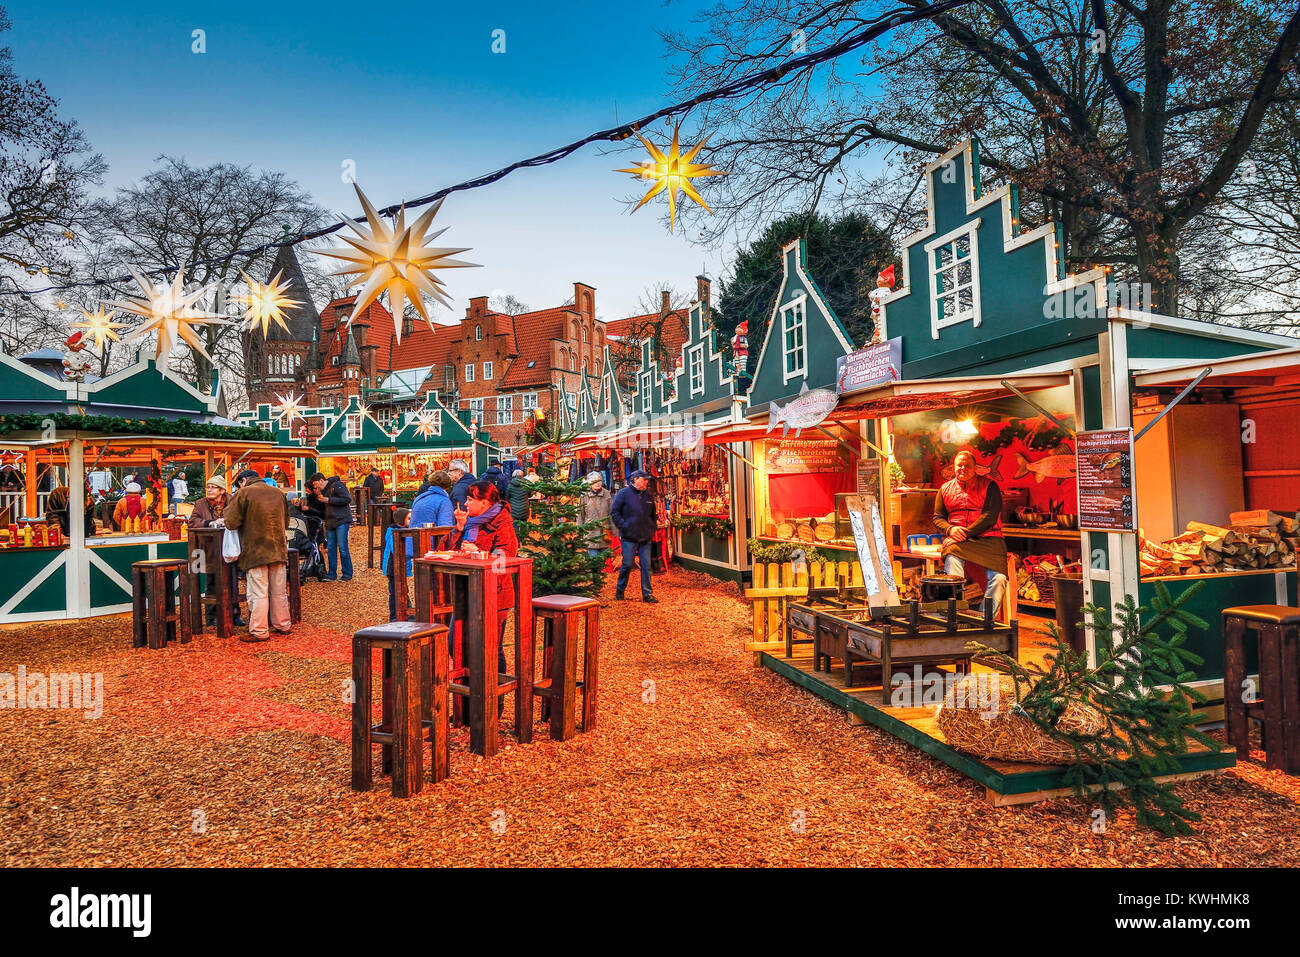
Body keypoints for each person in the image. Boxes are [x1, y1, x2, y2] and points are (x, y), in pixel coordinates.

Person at [447, 481, 517, 688]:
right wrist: (459, 528)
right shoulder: (470, 522)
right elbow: (447, 549)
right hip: (466, 593)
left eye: (470, 500)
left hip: (494, 595)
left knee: (490, 649)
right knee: (456, 644)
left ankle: (492, 705)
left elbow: (504, 558)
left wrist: (476, 551)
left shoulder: (503, 524)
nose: (466, 504)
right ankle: (467, 708)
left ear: (484, 502)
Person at [934, 449, 1008, 617]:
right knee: (953, 575)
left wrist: (963, 534)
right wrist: (950, 529)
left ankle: (986, 619)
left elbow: (990, 516)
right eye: (959, 465)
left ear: (976, 468)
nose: (963, 468)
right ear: (954, 468)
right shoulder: (944, 489)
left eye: (967, 465)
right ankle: (955, 615)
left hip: (990, 539)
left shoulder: (990, 485)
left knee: (999, 579)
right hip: (957, 541)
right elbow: (938, 518)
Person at [223, 468, 291, 642]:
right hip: (279, 549)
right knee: (279, 591)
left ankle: (259, 631)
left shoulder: (244, 493)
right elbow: (287, 521)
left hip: (256, 550)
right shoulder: (278, 493)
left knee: (258, 592)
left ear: (242, 481)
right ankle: (283, 624)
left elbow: (231, 522)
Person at [189, 475, 245, 628]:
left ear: (221, 490)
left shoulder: (232, 501)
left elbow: (240, 518)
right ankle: (211, 617)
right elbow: (192, 521)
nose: (209, 490)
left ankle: (234, 615)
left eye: (213, 487)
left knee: (232, 581)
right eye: (208, 487)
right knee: (212, 582)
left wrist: (227, 522)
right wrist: (209, 523)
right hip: (209, 548)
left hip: (231, 548)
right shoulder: (201, 504)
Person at [610, 470, 658, 603]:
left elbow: (653, 515)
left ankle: (647, 594)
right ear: (635, 479)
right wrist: (624, 526)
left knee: (646, 566)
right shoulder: (623, 494)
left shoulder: (648, 496)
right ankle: (620, 591)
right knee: (627, 563)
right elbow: (614, 512)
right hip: (629, 537)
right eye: (644, 479)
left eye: (647, 480)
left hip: (645, 537)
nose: (646, 482)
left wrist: (652, 528)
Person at [321, 473, 355, 581]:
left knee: (342, 547)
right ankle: (332, 573)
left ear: (321, 480)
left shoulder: (337, 485)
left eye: (316, 485)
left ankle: (347, 573)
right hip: (330, 521)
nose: (316, 487)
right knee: (331, 547)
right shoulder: (323, 491)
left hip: (341, 520)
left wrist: (329, 500)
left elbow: (346, 499)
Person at [382, 507, 413, 621]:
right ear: (401, 520)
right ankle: (395, 616)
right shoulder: (393, 532)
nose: (411, 521)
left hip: (400, 565)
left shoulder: (404, 531)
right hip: (393, 566)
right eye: (409, 519)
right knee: (395, 591)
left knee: (402, 590)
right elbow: (396, 549)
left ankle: (407, 613)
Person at [579, 471, 613, 560]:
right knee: (593, 561)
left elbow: (611, 513)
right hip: (590, 534)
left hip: (604, 533)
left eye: (600, 480)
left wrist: (614, 530)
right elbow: (580, 515)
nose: (598, 483)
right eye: (595, 481)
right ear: (589, 483)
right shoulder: (584, 495)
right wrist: (580, 533)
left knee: (603, 562)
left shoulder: (607, 494)